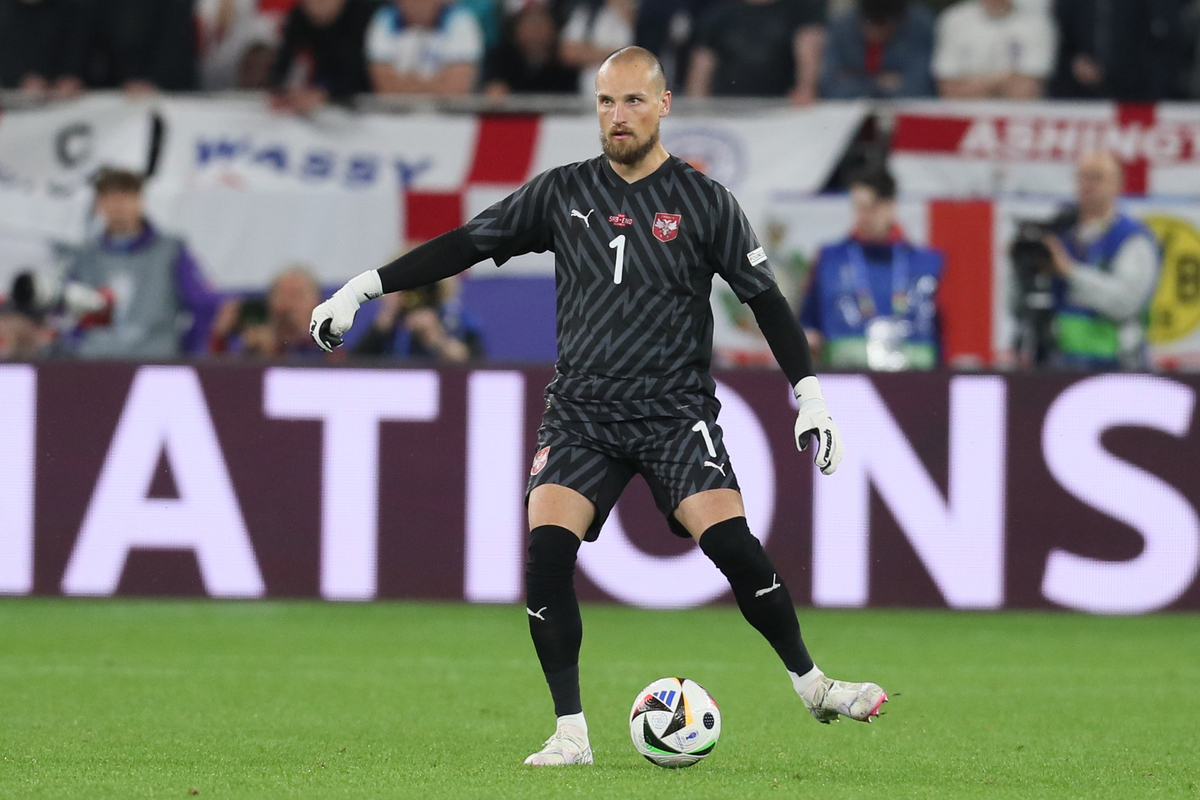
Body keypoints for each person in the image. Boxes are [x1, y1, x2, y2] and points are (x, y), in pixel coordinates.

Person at [308, 46, 887, 767]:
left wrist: (811, 396)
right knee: (546, 553)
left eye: (634, 102)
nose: (618, 117)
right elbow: (465, 244)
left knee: (731, 545)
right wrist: (362, 287)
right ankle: (571, 733)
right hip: (582, 411)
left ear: (665, 104)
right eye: (606, 103)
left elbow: (764, 301)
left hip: (674, 413)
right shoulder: (562, 193)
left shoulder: (705, 202)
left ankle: (812, 683)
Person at [1016, 151, 1160, 369]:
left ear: (1118, 185)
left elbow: (1126, 302)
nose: (1089, 184)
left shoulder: (1131, 238)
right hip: (1056, 359)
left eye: (1098, 177)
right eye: (1083, 177)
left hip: (1114, 361)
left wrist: (1069, 270)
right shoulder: (1059, 231)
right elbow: (1022, 303)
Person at [66, 168, 223, 360]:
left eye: (126, 197)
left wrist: (191, 350)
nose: (118, 205)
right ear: (99, 204)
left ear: (140, 201)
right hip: (95, 360)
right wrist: (74, 345)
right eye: (110, 198)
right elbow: (69, 309)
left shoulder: (170, 250)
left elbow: (202, 302)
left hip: (155, 359)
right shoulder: (85, 255)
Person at [800, 166, 943, 370]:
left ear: (890, 206)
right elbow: (808, 319)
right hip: (845, 382)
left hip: (914, 383)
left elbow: (946, 331)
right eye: (857, 207)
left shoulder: (927, 263)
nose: (862, 216)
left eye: (870, 207)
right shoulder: (830, 259)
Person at [686, 0, 825, 102]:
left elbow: (808, 53)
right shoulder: (718, 15)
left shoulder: (801, 11)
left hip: (783, 107)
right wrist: (696, 106)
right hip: (728, 107)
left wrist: (806, 89)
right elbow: (702, 66)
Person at [1051, 0, 1188, 101]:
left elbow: (1162, 44)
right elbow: (1060, 41)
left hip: (1135, 96)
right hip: (1079, 96)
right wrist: (1073, 63)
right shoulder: (1070, 5)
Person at [61, 0, 199, 93]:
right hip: (107, 91)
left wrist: (157, 81)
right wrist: (71, 74)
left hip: (164, 92)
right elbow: (82, 35)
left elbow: (176, 40)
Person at [268, 0, 378, 112]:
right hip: (324, 95)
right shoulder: (298, 15)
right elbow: (282, 66)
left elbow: (361, 73)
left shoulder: (367, 13)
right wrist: (282, 92)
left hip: (368, 101)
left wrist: (326, 95)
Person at [932, 0, 1055, 99]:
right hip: (962, 119)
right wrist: (1005, 80)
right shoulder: (954, 19)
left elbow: (1027, 90)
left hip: (1017, 120)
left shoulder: (1036, 24)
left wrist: (972, 84)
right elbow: (948, 89)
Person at [819, 0, 935, 100]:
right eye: (870, 23)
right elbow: (829, 88)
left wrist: (855, 78)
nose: (876, 32)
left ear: (901, 20)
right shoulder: (841, 27)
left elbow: (920, 88)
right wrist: (879, 82)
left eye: (883, 25)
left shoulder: (920, 27)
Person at [365, 0, 484, 96]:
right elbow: (384, 87)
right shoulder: (385, 18)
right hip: (393, 116)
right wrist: (436, 84)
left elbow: (456, 88)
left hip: (448, 118)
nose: (418, 4)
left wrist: (404, 84)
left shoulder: (461, 19)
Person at [210, 266, 327, 358]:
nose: (289, 304)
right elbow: (219, 377)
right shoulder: (250, 342)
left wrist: (274, 352)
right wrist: (221, 337)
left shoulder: (328, 346)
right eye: (282, 295)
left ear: (317, 303)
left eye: (297, 296)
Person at [353, 280, 484, 359]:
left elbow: (475, 362)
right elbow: (354, 364)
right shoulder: (389, 322)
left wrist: (438, 339)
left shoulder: (457, 318)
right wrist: (387, 316)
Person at [483, 4, 578, 97]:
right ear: (516, 29)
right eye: (529, 26)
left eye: (540, 26)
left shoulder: (565, 63)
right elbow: (493, 90)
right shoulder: (499, 58)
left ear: (553, 29)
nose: (535, 34)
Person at [559, 0, 636, 95]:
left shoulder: (646, 12)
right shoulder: (589, 12)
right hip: (589, 97)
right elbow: (569, 53)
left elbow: (642, 56)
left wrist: (588, 52)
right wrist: (618, 54)